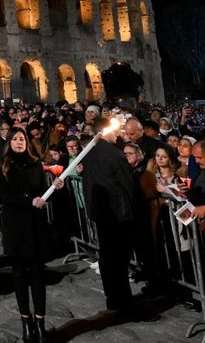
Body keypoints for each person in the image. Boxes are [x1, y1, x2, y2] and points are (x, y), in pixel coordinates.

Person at [78, 116, 158, 321]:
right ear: (105, 132)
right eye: (115, 130)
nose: (119, 134)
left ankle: (113, 298)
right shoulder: (115, 155)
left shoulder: (89, 153)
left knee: (107, 258)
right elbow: (129, 187)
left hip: (101, 213)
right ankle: (125, 305)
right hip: (118, 215)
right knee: (119, 261)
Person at [0, 127, 63, 342]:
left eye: (22, 138)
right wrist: (28, 201)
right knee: (19, 275)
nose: (19, 142)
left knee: (37, 274)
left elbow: (42, 194)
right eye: (14, 139)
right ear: (9, 142)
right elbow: (4, 195)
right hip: (15, 225)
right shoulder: (3, 165)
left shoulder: (35, 164)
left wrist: (54, 187)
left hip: (35, 225)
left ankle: (40, 322)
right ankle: (26, 322)